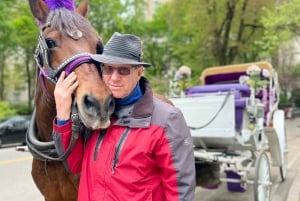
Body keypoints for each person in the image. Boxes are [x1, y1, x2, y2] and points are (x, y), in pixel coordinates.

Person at [52, 32, 196, 201]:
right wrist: (63, 114)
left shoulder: (167, 119)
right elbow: (74, 164)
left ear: (139, 72)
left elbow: (180, 191)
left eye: (123, 70)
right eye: (108, 69)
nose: (114, 78)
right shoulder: (98, 113)